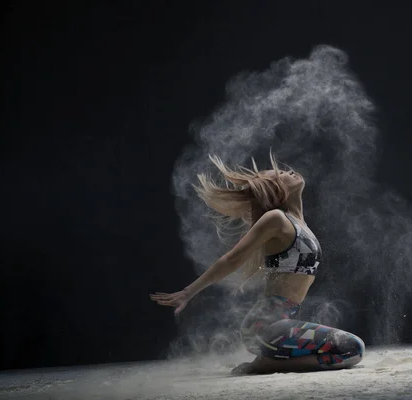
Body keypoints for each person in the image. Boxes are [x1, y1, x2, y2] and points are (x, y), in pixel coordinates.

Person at [150, 153, 365, 374]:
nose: (289, 171)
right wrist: (188, 292)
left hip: (278, 324)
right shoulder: (276, 219)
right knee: (352, 349)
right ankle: (264, 365)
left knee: (348, 350)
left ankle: (269, 362)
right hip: (264, 326)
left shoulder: (298, 223)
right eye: (281, 175)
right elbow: (231, 259)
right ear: (277, 191)